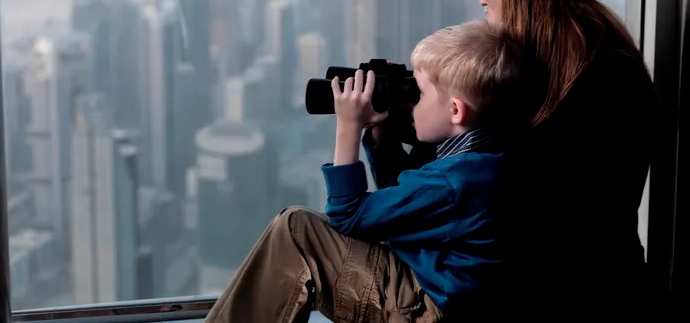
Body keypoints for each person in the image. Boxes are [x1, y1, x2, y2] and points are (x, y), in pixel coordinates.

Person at [204, 20, 534, 322]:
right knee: (297, 226)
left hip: (424, 308)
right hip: (432, 288)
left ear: (455, 110)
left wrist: (349, 125)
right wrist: (381, 136)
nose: (410, 102)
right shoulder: (486, 157)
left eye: (417, 93)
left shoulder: (454, 181)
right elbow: (406, 210)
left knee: (296, 229)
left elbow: (348, 214)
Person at [464, 0, 663, 319]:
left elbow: (500, 218)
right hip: (569, 297)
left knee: (298, 235)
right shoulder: (587, 63)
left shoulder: (603, 84)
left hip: (564, 304)